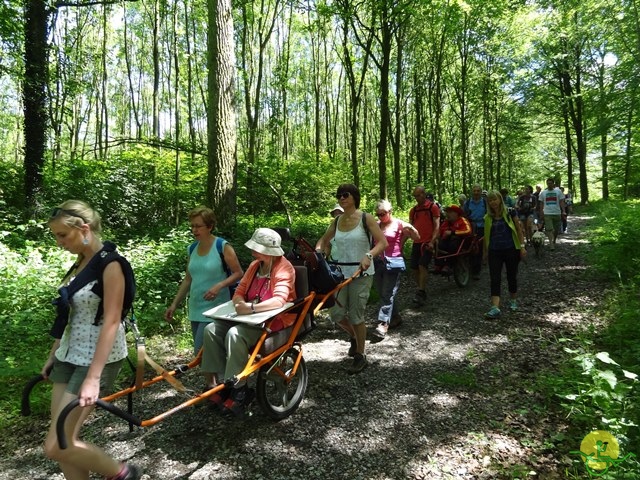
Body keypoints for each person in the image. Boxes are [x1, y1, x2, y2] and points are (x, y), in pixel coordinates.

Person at [43, 201, 141, 480]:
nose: (59, 242)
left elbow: (111, 320)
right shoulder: (81, 263)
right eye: (56, 236)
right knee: (63, 441)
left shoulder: (111, 265)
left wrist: (93, 378)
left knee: (55, 445)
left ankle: (122, 473)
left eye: (63, 235)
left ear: (83, 228)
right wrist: (53, 354)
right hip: (68, 355)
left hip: (97, 359)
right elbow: (71, 316)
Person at [201, 228, 296, 415]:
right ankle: (223, 384)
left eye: (257, 249)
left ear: (270, 251)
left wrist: (250, 308)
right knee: (211, 329)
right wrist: (239, 303)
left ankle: (239, 388)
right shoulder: (255, 266)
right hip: (248, 317)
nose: (253, 252)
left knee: (235, 334)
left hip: (272, 322)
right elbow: (239, 291)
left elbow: (279, 300)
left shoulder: (284, 268)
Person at [315, 184, 387, 374]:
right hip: (339, 275)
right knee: (336, 315)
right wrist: (318, 252)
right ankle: (355, 336)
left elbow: (383, 242)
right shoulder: (337, 221)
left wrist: (369, 255)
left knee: (356, 315)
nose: (341, 198)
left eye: (345, 195)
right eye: (338, 195)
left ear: (355, 197)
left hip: (361, 274)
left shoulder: (366, 218)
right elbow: (323, 241)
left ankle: (360, 355)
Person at [165, 206, 243, 355]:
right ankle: (215, 379)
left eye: (198, 226)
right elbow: (188, 279)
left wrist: (219, 285)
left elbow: (239, 273)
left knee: (201, 352)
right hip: (196, 308)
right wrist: (174, 304)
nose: (194, 230)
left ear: (210, 226)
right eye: (192, 226)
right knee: (205, 357)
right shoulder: (192, 248)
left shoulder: (222, 246)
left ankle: (224, 377)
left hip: (217, 309)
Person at [372, 199, 420, 338]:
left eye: (383, 213)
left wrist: (411, 229)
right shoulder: (376, 225)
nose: (381, 216)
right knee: (383, 292)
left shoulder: (399, 223)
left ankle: (383, 324)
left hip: (393, 262)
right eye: (378, 214)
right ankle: (396, 317)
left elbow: (417, 237)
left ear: (390, 212)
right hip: (378, 262)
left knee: (387, 293)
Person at [482, 191, 526, 319]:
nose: (493, 202)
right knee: (495, 278)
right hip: (494, 251)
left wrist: (522, 247)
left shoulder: (510, 212)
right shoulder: (487, 217)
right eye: (490, 200)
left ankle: (513, 299)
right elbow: (486, 236)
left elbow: (518, 229)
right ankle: (495, 307)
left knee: (511, 276)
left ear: (500, 199)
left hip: (511, 249)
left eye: (495, 199)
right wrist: (485, 252)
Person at [408, 186, 441, 306]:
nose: (416, 198)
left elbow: (437, 226)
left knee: (422, 265)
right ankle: (421, 289)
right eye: (415, 196)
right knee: (413, 268)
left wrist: (432, 242)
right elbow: (409, 228)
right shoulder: (413, 210)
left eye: (418, 195)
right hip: (417, 242)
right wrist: (400, 244)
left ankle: (420, 291)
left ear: (423, 194)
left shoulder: (433, 207)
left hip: (428, 242)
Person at [434, 205, 472, 274]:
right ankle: (439, 265)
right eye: (447, 212)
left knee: (454, 241)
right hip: (448, 242)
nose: (447, 214)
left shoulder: (462, 220)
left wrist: (453, 233)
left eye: (450, 212)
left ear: (457, 213)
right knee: (439, 244)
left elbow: (468, 230)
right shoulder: (446, 222)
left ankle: (448, 265)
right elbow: (440, 231)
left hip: (462, 243)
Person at [463, 184, 487, 279]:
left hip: (482, 227)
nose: (476, 193)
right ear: (472, 192)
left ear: (481, 192)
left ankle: (477, 271)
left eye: (478, 191)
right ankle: (470, 267)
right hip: (470, 227)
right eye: (474, 191)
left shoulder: (485, 203)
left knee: (479, 248)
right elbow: (464, 215)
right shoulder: (468, 203)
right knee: (469, 247)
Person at [538, 178, 567, 250]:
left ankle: (554, 240)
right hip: (547, 213)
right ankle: (551, 243)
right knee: (549, 229)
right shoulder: (543, 193)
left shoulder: (558, 191)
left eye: (550, 183)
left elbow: (561, 202)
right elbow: (541, 203)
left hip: (557, 212)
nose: (549, 185)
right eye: (548, 183)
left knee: (556, 229)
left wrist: (563, 211)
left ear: (553, 184)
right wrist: (541, 212)